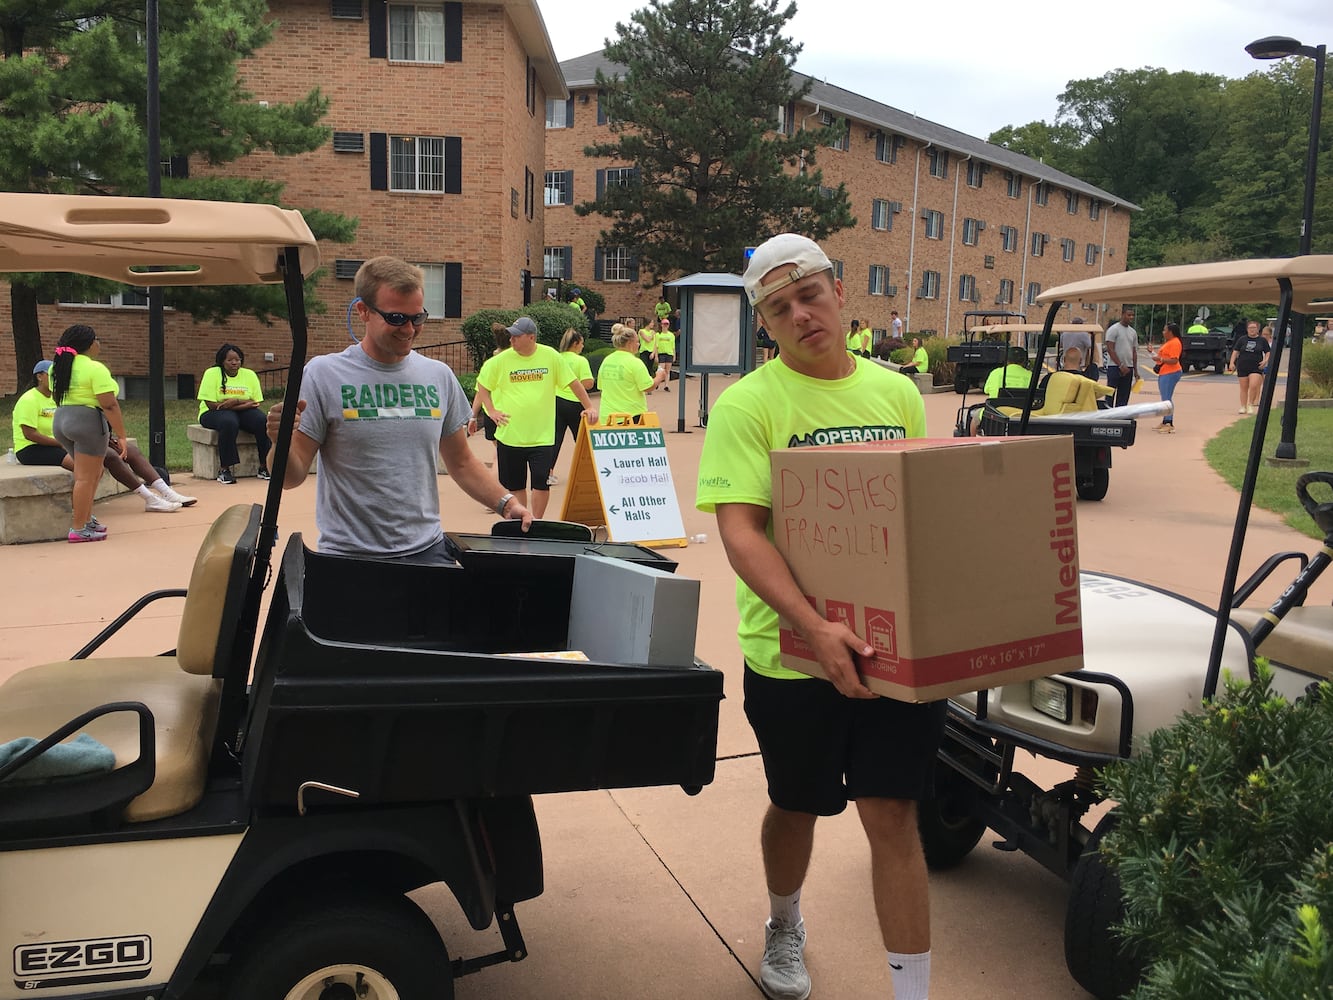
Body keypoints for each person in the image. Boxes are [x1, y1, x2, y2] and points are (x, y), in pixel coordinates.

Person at [696, 233, 941, 1000]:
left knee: (894, 813)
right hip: (790, 654)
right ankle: (783, 922)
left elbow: (910, 516)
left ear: (838, 293)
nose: (800, 314)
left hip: (888, 650)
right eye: (779, 308)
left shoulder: (896, 394)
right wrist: (810, 623)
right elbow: (740, 530)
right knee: (796, 803)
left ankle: (911, 992)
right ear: (763, 324)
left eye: (809, 295)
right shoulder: (747, 405)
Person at [266, 256, 533, 563]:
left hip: (427, 551)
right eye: (396, 318)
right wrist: (279, 442)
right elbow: (289, 477)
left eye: (417, 318)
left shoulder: (438, 376)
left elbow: (461, 462)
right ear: (363, 311)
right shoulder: (323, 375)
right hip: (349, 559)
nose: (409, 329)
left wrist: (506, 503)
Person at [13, 359, 196, 520]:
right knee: (103, 459)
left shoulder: (60, 397)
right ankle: (148, 498)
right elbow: (30, 435)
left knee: (129, 451)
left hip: (67, 442)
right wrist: (66, 443)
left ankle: (167, 492)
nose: (56, 378)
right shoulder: (29, 400)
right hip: (34, 449)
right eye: (50, 374)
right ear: (39, 376)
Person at [471, 316, 597, 519]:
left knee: (540, 482)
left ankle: (536, 521)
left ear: (531, 337)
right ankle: (523, 519)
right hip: (511, 435)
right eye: (510, 336)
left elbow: (574, 383)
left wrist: (589, 407)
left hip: (542, 435)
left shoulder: (551, 356)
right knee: (515, 484)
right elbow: (482, 386)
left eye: (516, 337)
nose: (511, 340)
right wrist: (491, 411)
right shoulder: (500, 361)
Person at [48, 325, 128, 542]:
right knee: (85, 477)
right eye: (97, 340)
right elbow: (109, 404)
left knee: (95, 472)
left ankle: (85, 518)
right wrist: (121, 435)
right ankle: (78, 528)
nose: (99, 344)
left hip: (62, 420)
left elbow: (56, 395)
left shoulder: (56, 367)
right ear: (90, 344)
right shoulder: (95, 368)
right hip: (87, 422)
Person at [197, 343, 271, 484]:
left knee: (262, 420)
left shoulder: (249, 375)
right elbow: (211, 404)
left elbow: (255, 402)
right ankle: (224, 469)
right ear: (222, 361)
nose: (234, 363)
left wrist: (233, 401)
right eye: (230, 360)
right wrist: (242, 403)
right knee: (229, 422)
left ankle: (264, 466)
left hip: (238, 410)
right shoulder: (212, 374)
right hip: (211, 413)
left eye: (237, 360)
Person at [547, 327, 595, 485]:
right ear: (575, 344)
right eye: (581, 343)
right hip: (575, 403)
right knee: (582, 439)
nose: (583, 346)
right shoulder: (581, 361)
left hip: (556, 401)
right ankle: (591, 472)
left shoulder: (556, 358)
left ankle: (548, 472)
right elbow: (587, 383)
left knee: (555, 438)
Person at [597, 324, 666, 415]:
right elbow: (648, 387)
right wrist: (659, 377)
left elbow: (601, 387)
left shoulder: (606, 361)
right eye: (637, 341)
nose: (639, 344)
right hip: (630, 416)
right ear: (630, 343)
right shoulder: (635, 363)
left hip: (607, 416)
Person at [972, 346, 1034, 434]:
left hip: (994, 413)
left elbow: (986, 390)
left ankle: (973, 442)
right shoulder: (1030, 375)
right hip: (1021, 414)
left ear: (1007, 360)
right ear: (1024, 361)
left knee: (975, 417)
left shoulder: (996, 373)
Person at [1228, 320, 1269, 415]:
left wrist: (1266, 360)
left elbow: (1268, 352)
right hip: (1243, 366)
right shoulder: (1242, 339)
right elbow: (1235, 351)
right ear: (1247, 329)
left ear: (1258, 329)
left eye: (1254, 328)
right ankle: (1243, 406)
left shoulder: (1262, 340)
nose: (1252, 330)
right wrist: (1231, 363)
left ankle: (1250, 404)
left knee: (1254, 385)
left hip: (1256, 366)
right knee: (1244, 388)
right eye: (1250, 328)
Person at [1150, 322, 1183, 433]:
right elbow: (1162, 356)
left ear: (1170, 332)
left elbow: (1174, 360)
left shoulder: (1175, 343)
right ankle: (1165, 421)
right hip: (1165, 372)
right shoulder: (1169, 342)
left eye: (1165, 330)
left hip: (1171, 372)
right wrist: (1153, 354)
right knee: (1165, 397)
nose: (1163, 332)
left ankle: (1169, 423)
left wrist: (1162, 360)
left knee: (1166, 398)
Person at [1104, 306, 1138, 408]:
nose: (1131, 317)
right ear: (1122, 315)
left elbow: (1134, 351)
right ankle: (1108, 416)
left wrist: (1135, 370)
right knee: (1110, 393)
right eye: (1129, 315)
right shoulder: (1114, 329)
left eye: (1132, 315)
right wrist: (1120, 365)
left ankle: (1120, 417)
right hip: (1115, 367)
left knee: (1124, 395)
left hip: (1129, 368)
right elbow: (1110, 349)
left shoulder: (1133, 332)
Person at [655, 316, 677, 391]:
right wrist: (656, 355)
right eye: (664, 324)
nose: (665, 325)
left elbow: (673, 346)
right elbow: (656, 346)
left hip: (669, 353)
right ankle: (657, 383)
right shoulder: (658, 335)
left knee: (667, 370)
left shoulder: (671, 335)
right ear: (661, 325)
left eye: (667, 324)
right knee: (661, 369)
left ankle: (666, 385)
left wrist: (674, 355)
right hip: (661, 353)